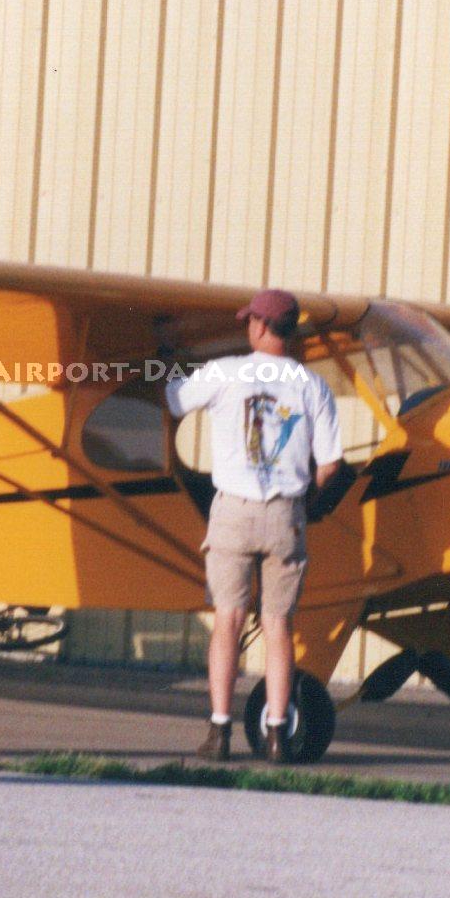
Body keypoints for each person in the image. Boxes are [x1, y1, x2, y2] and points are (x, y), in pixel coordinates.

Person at [165, 288, 344, 763]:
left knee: (228, 619)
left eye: (250, 321)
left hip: (233, 511)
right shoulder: (312, 385)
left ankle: (220, 732)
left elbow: (174, 399)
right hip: (286, 512)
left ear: (261, 327)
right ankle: (276, 736)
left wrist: (168, 361)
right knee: (278, 625)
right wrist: (306, 500)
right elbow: (330, 465)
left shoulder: (225, 373)